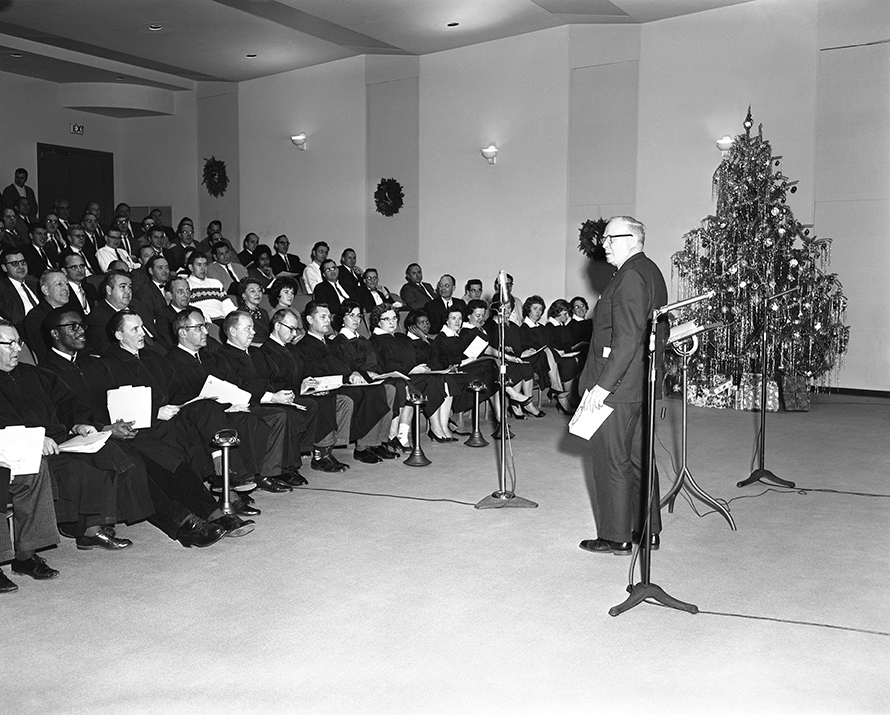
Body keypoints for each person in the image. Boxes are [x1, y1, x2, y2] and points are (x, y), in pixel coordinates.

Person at [576, 216, 668, 556]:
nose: (604, 244)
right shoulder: (649, 271)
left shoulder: (629, 277)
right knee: (640, 458)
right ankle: (647, 530)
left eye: (611, 239)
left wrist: (601, 389)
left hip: (617, 387)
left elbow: (626, 340)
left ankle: (616, 536)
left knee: (612, 460)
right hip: (638, 383)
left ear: (632, 240)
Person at [369, 303, 454, 443]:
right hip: (396, 377)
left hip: (411, 374)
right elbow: (385, 364)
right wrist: (411, 370)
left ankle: (412, 432)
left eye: (394, 318)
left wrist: (423, 362)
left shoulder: (400, 337)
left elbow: (417, 356)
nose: (392, 322)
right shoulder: (376, 340)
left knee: (436, 379)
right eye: (386, 319)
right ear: (378, 321)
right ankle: (399, 435)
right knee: (419, 385)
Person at [236, 277, 270, 345]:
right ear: (244, 295)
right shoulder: (241, 314)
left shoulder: (263, 312)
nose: (257, 294)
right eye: (252, 291)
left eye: (259, 290)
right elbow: (241, 340)